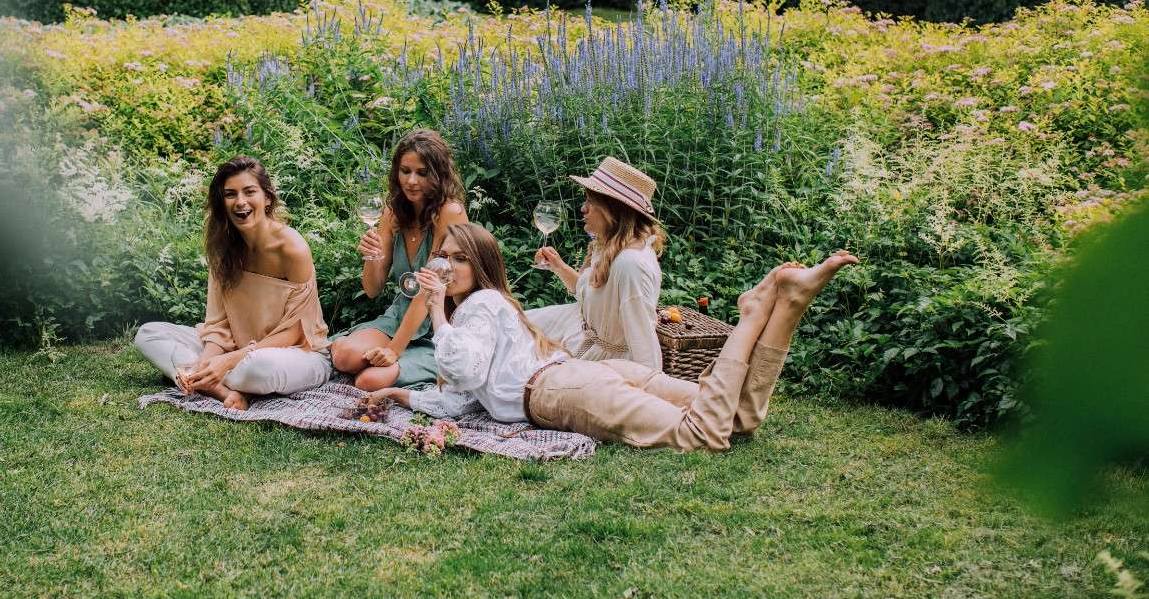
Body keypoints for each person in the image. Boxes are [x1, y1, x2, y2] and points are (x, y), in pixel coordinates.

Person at [367, 223, 858, 451]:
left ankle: (752, 314)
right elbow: (463, 397)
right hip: (590, 374)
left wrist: (436, 309)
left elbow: (463, 367)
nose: (447, 266)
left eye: (460, 258)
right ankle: (788, 305)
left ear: (481, 267)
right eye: (444, 256)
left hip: (562, 392)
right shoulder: (488, 309)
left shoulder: (478, 306)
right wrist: (403, 396)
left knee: (702, 433)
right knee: (738, 418)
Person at [134, 156, 331, 411]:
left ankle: (200, 378)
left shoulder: (291, 248)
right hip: (236, 346)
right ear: (222, 202)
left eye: (249, 192)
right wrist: (208, 361)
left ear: (267, 197)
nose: (240, 202)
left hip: (294, 353)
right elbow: (218, 324)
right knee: (148, 334)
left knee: (260, 368)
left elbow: (295, 332)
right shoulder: (222, 246)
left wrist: (228, 361)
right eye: (230, 194)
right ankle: (217, 387)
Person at [330, 129, 468, 392]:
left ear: (439, 175)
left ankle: (414, 359)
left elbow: (428, 290)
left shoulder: (450, 212)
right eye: (405, 171)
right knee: (345, 357)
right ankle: (359, 350)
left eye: (422, 173)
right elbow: (372, 290)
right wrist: (371, 257)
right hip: (400, 315)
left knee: (368, 381)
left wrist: (394, 350)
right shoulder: (393, 213)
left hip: (440, 322)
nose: (412, 181)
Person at [528, 157, 667, 372]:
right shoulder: (611, 246)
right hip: (583, 335)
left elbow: (644, 346)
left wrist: (649, 387)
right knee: (514, 324)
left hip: (605, 364)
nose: (583, 208)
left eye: (590, 202)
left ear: (612, 210)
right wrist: (559, 266)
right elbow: (595, 297)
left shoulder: (630, 265)